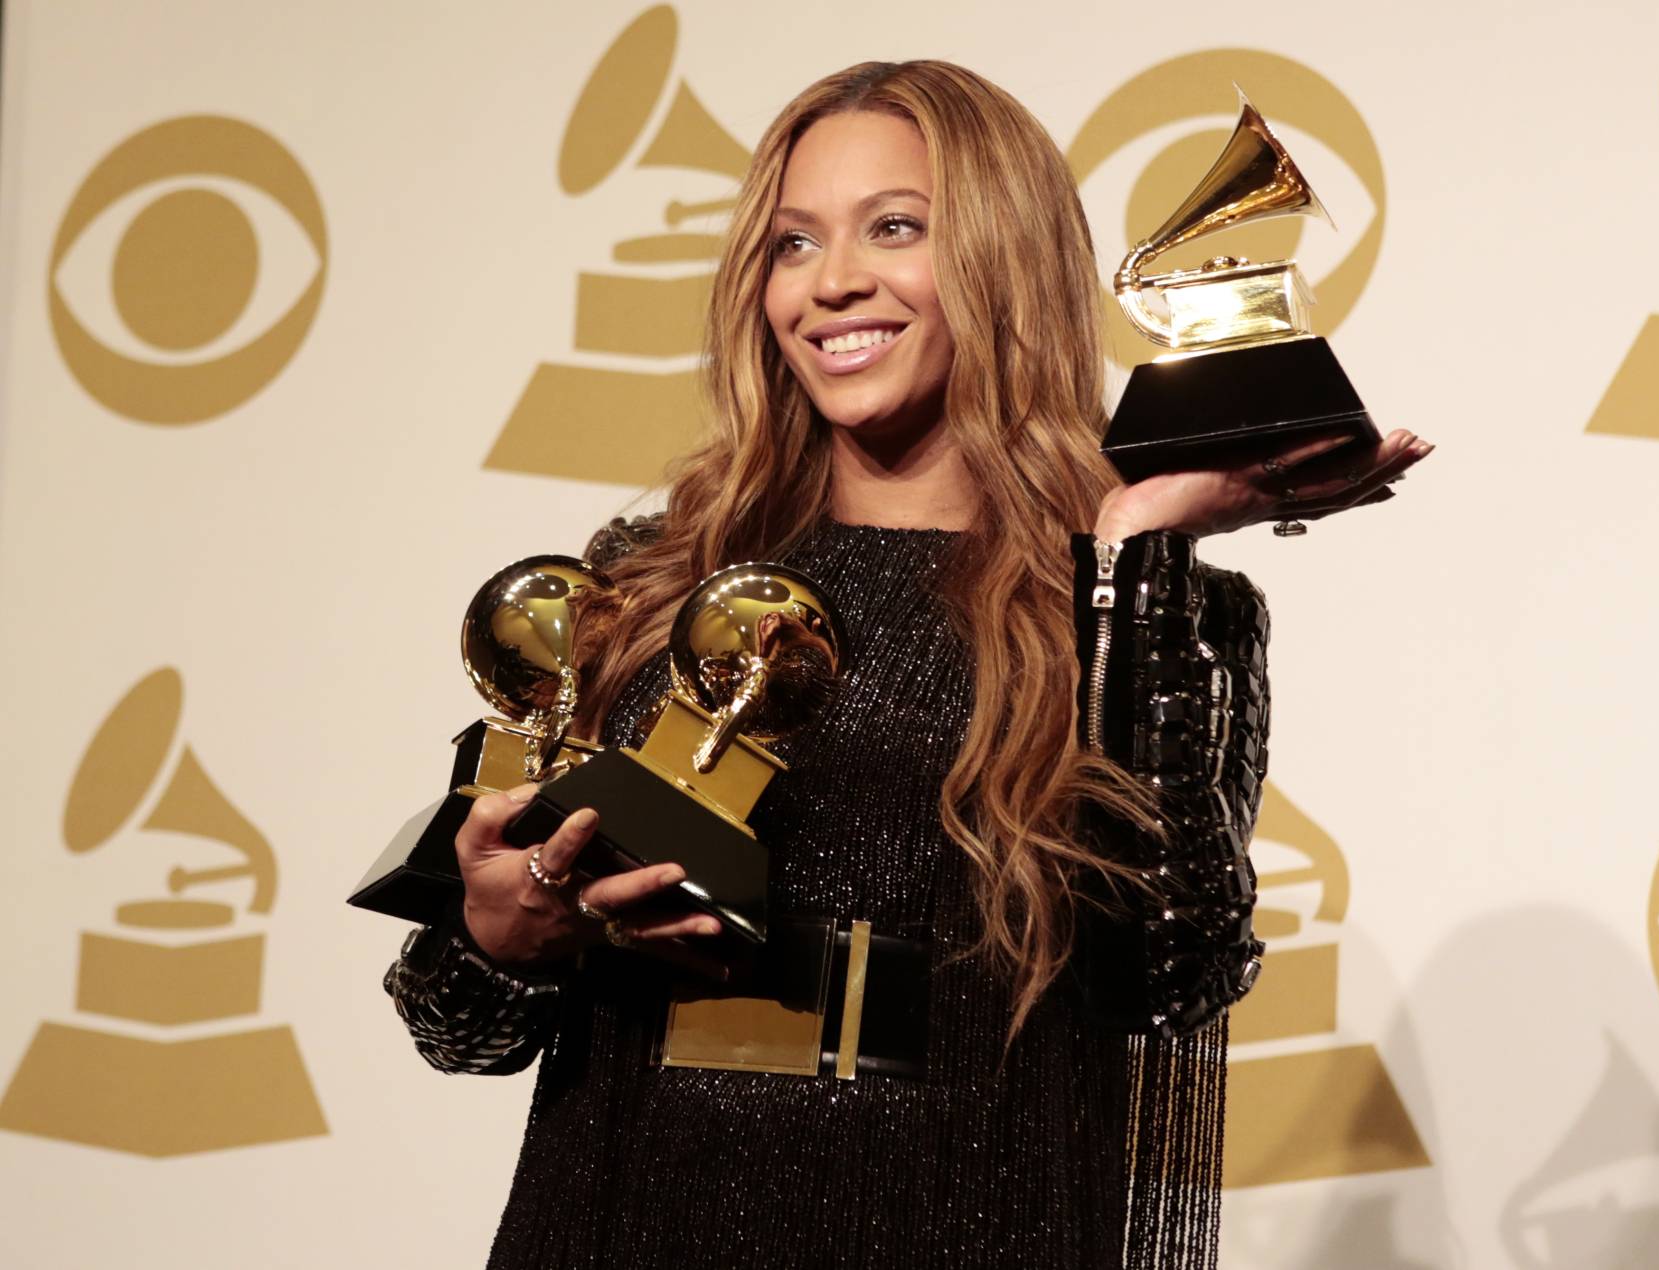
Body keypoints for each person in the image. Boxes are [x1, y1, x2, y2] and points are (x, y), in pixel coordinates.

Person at [384, 59, 1431, 1269]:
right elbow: (449, 1022)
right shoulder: (649, 580)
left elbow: (1169, 969)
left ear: (1003, 257)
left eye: (894, 228)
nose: (830, 284)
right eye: (789, 243)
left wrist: (1128, 557)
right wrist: (495, 937)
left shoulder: (1141, 608)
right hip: (622, 1206)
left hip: (959, 1219)